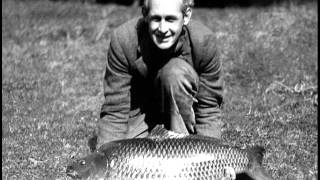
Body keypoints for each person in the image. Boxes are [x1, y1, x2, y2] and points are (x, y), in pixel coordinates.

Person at [97, 0, 224, 146]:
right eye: (156, 19)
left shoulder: (204, 41)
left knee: (174, 73)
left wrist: (214, 154)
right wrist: (104, 155)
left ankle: (182, 148)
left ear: (186, 16)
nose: (163, 29)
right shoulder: (123, 40)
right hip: (141, 114)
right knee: (126, 156)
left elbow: (208, 109)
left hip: (183, 112)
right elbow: (115, 110)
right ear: (145, 15)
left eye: (170, 19)